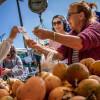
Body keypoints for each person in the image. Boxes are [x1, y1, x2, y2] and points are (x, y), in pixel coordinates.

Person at [29, 1, 100, 64]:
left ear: (81, 16)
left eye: (69, 15)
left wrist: (50, 34)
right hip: (76, 76)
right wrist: (37, 46)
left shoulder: (96, 27)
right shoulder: (73, 34)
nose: (67, 18)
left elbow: (80, 43)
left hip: (94, 77)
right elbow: (59, 55)